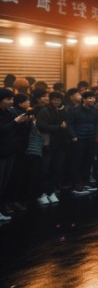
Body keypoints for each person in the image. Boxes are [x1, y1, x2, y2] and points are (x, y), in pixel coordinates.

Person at [0, 89, 32, 220]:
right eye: (8, 99)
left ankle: (2, 209)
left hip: (11, 151)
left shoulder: (10, 112)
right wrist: (15, 122)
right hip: (1, 152)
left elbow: (20, 132)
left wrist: (26, 121)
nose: (11, 102)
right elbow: (2, 130)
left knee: (5, 182)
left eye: (12, 99)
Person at [36, 92, 69, 203]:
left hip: (60, 144)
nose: (57, 102)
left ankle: (51, 191)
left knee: (56, 168)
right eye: (55, 100)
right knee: (45, 169)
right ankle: (42, 193)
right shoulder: (44, 111)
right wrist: (59, 127)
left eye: (59, 100)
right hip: (48, 144)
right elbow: (41, 126)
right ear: (50, 100)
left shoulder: (62, 110)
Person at [67, 91, 98, 195]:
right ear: (84, 99)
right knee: (77, 162)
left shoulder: (95, 110)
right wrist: (73, 136)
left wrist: (96, 133)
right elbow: (70, 124)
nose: (92, 100)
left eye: (93, 98)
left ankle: (86, 182)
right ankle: (77, 184)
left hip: (91, 139)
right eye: (90, 98)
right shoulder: (74, 110)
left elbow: (97, 122)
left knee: (88, 161)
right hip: (79, 139)